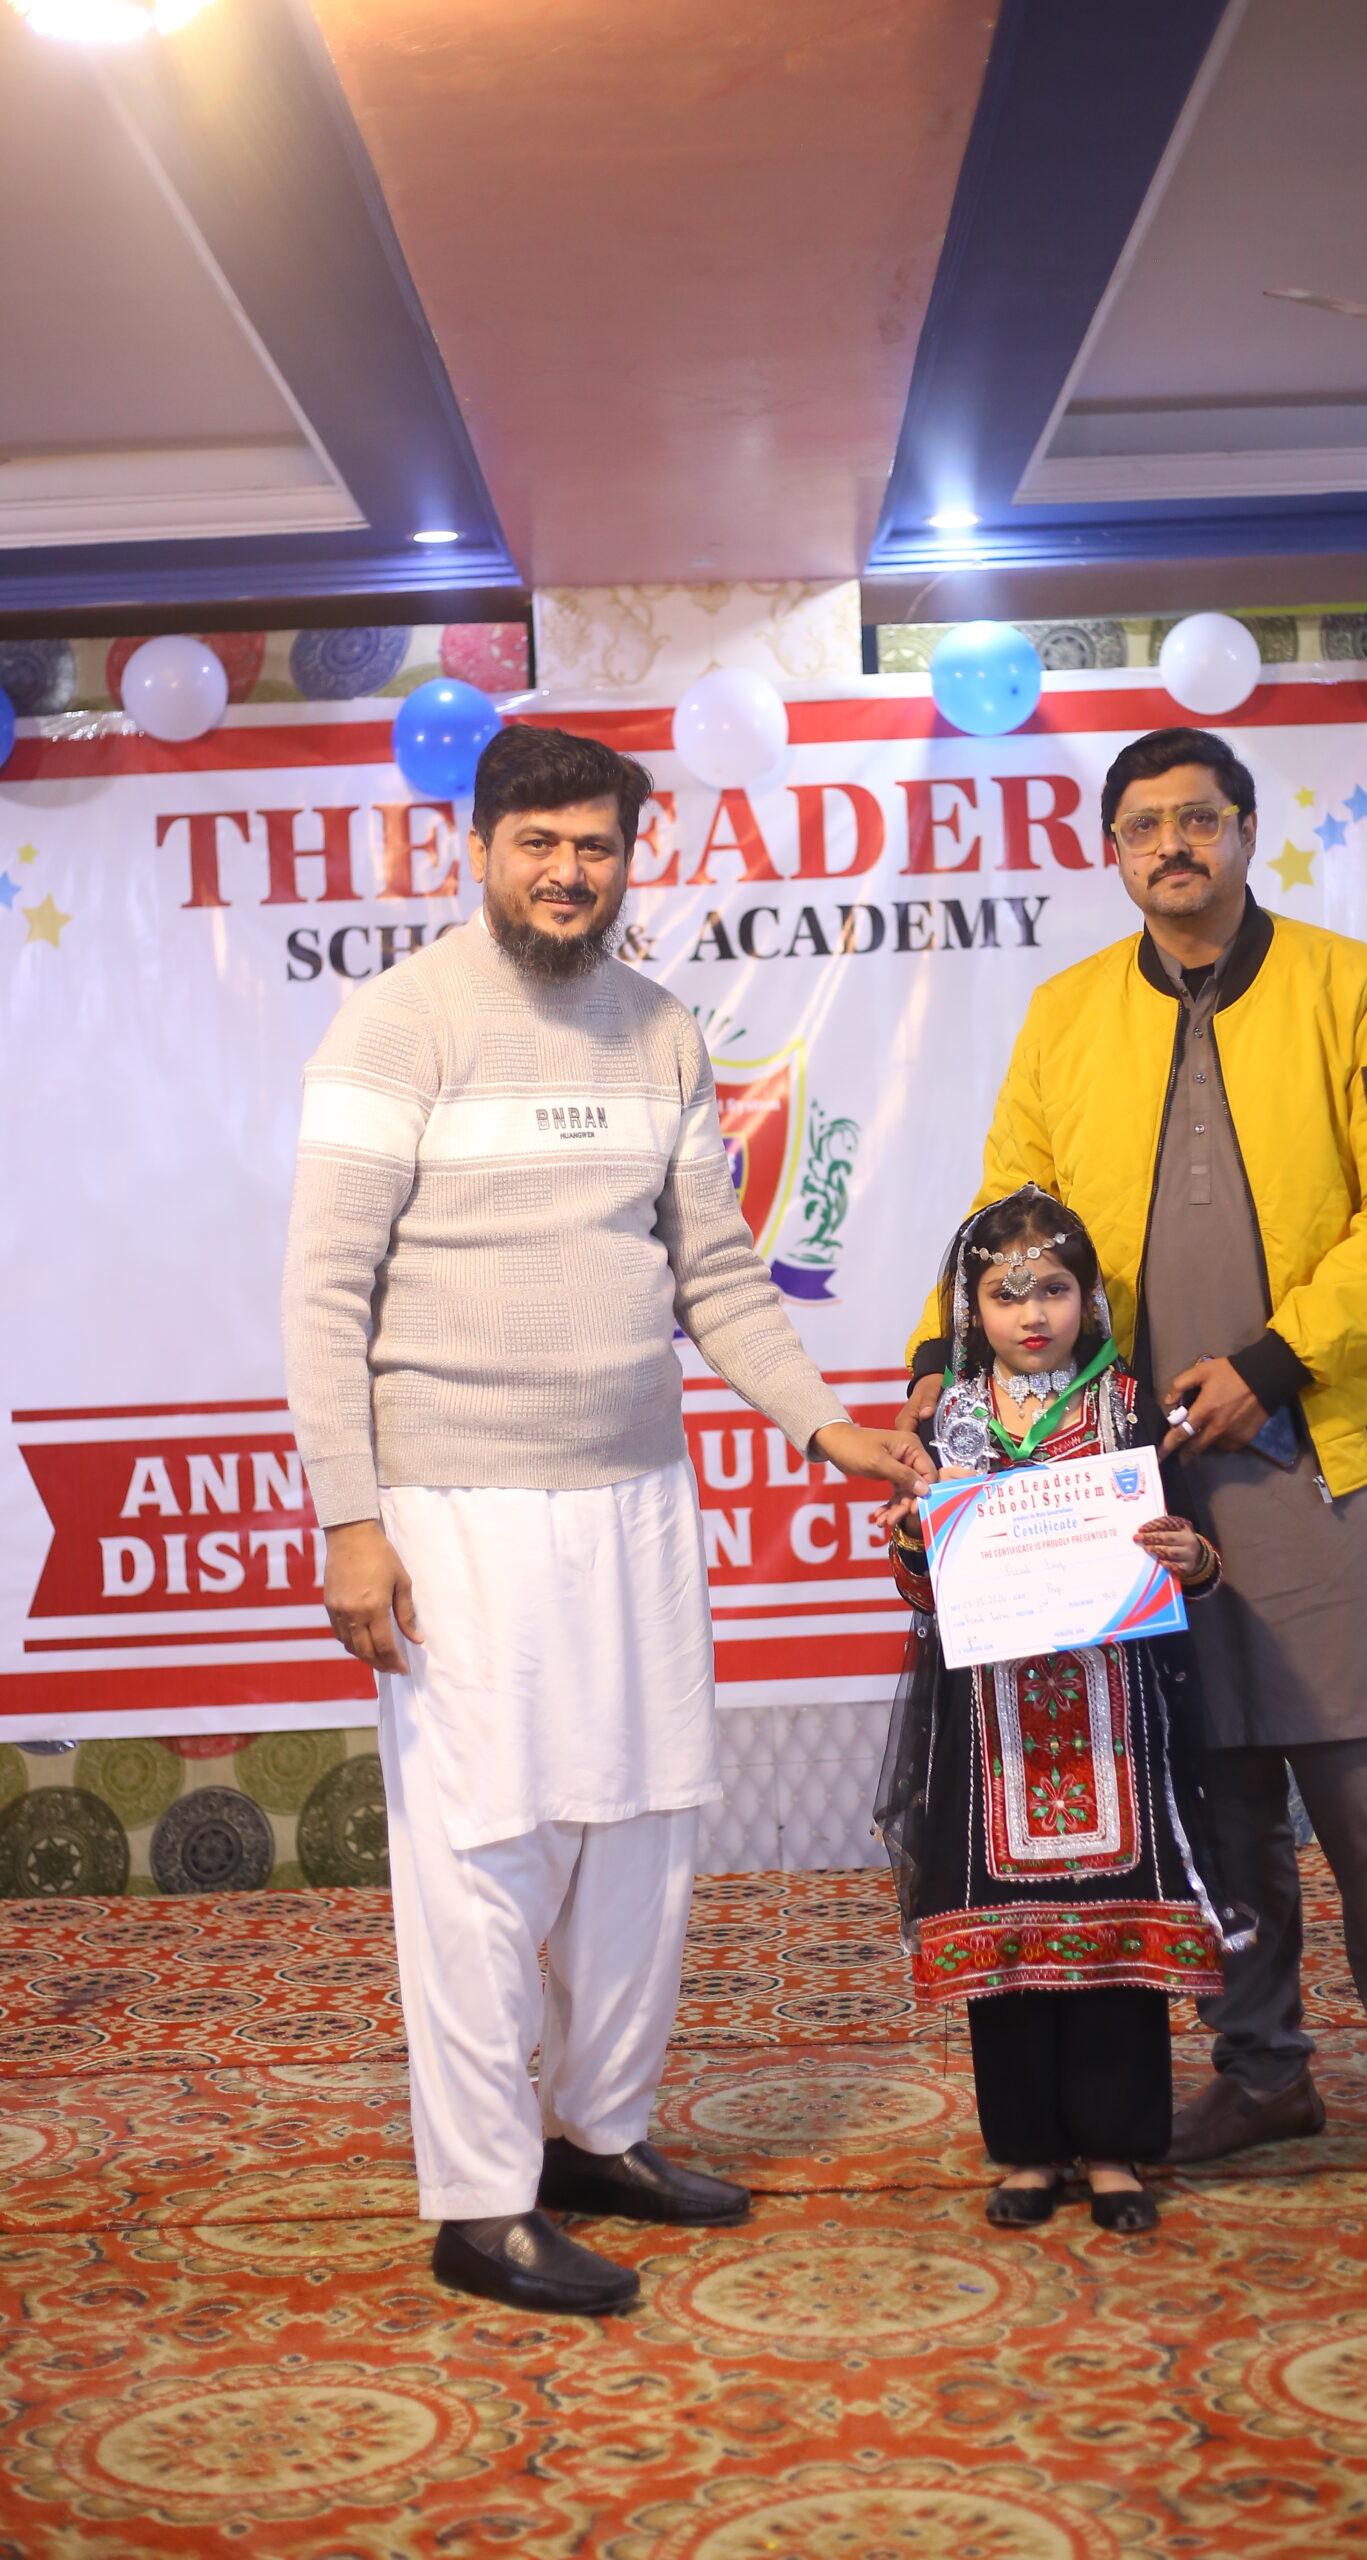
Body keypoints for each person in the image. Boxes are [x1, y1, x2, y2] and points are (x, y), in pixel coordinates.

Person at [282, 724, 931, 2318]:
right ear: (479, 849)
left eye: (594, 846)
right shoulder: (397, 1021)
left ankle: (601, 2134)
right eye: (538, 844)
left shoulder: (659, 1033)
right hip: (454, 1505)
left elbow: (716, 1276)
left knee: (642, 1823)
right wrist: (351, 1521)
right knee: (483, 1852)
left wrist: (825, 1424)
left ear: (630, 860)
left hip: (636, 1494)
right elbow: (323, 1292)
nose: (566, 872)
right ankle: (480, 2202)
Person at [902, 724, 1367, 2201]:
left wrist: (1275, 1364)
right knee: (1212, 1798)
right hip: (1130, 1483)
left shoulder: (1352, 987)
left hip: (1316, 1451)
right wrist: (933, 1366)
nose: (1172, 843)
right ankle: (1262, 2069)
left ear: (1243, 830)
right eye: (1143, 824)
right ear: (1111, 852)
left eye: (1198, 817)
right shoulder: (1067, 1015)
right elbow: (1007, 1217)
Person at [877, 1185, 1240, 2232]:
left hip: (1113, 1714)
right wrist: (914, 1542)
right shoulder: (946, 1419)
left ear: (1090, 1299)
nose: (1032, 1314)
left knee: (1116, 1933)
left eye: (1054, 1290)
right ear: (971, 1308)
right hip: (988, 1723)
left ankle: (1117, 2152)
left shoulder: (1128, 1408)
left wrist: (1193, 1557)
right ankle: (1029, 2153)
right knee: (1006, 1939)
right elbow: (921, 1591)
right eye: (1006, 1294)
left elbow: (1194, 1552)